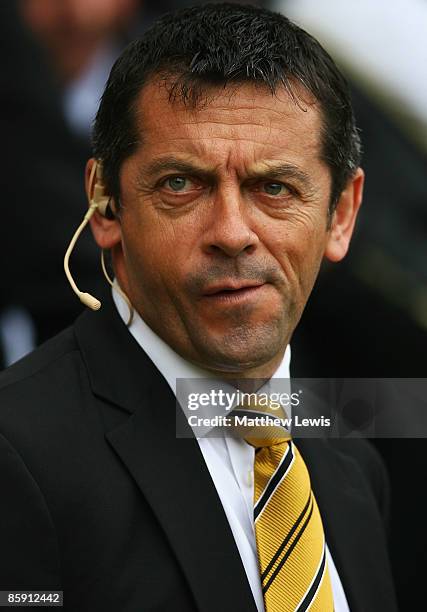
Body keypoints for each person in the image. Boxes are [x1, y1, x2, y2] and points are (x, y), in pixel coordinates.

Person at [0, 4, 397, 611]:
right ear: (106, 207)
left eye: (274, 187)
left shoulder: (354, 466)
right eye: (181, 185)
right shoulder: (19, 455)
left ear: (340, 214)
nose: (232, 232)